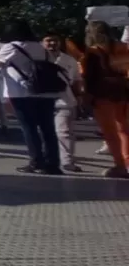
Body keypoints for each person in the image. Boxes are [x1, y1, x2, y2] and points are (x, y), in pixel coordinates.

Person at [0, 20, 64, 175]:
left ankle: (36, 162)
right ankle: (53, 163)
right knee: (48, 128)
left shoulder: (11, 47)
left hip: (22, 92)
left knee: (29, 128)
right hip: (46, 92)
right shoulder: (40, 47)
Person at [80, 21, 129, 178]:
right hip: (124, 92)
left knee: (110, 132)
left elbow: (89, 77)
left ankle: (120, 166)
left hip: (103, 95)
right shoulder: (124, 47)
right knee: (124, 129)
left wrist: (87, 97)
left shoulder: (93, 52)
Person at [43, 33, 82, 173]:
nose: (52, 43)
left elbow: (77, 80)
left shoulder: (69, 60)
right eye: (48, 40)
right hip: (43, 101)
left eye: (55, 40)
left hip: (64, 101)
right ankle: (47, 160)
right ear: (42, 43)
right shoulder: (37, 59)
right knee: (46, 133)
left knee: (64, 132)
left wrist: (80, 97)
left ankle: (67, 161)